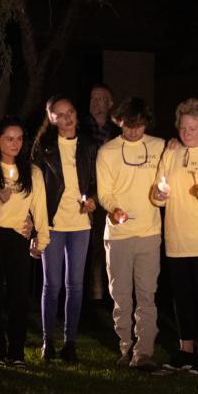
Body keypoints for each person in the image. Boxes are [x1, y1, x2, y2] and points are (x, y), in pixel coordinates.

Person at [151, 99, 198, 374]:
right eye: (183, 128)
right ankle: (185, 349)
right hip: (176, 237)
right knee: (181, 297)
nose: (187, 133)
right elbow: (158, 191)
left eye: (193, 128)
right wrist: (158, 195)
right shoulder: (173, 152)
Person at [0, 117, 49, 367]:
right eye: (9, 138)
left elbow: (40, 209)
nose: (15, 143)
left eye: (19, 138)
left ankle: (16, 353)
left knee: (19, 298)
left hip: (18, 237)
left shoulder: (33, 172)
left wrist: (42, 238)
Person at [96, 98, 165, 370]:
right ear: (119, 121)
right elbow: (104, 192)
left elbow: (166, 184)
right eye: (128, 125)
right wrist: (114, 209)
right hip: (118, 234)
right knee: (121, 295)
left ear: (146, 122)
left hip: (149, 232)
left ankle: (144, 351)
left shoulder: (160, 147)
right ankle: (125, 346)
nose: (134, 131)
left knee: (147, 295)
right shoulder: (107, 152)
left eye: (139, 125)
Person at [31, 95, 97, 363]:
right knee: (52, 284)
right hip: (53, 224)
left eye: (70, 111)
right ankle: (48, 342)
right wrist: (35, 226)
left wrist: (92, 198)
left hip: (81, 224)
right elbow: (33, 187)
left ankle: (70, 343)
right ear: (51, 118)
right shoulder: (43, 147)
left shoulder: (89, 145)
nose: (67, 118)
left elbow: (94, 179)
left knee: (76, 285)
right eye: (60, 114)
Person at [83, 83, 118, 306]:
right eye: (93, 99)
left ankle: (111, 293)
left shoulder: (117, 131)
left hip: (112, 192)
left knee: (111, 244)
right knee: (92, 244)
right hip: (89, 192)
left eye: (101, 99)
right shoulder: (81, 129)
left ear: (110, 104)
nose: (96, 103)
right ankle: (93, 295)